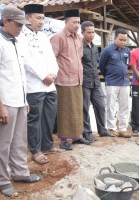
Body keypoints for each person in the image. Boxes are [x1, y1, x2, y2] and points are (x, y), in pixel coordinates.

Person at [0, 6, 42, 197]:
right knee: (4, 143)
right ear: (5, 21)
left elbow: (20, 75)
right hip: (6, 102)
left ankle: (20, 173)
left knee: (20, 140)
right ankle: (1, 180)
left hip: (19, 100)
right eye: (18, 24)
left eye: (22, 24)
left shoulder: (17, 41)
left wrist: (25, 99)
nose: (21, 28)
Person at [19, 4, 60, 165]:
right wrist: (43, 76)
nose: (41, 21)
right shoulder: (21, 36)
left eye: (43, 18)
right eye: (38, 18)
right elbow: (26, 60)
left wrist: (54, 73)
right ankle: (35, 150)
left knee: (49, 116)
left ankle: (47, 145)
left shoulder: (43, 36)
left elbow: (52, 57)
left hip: (50, 85)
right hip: (34, 85)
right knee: (34, 119)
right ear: (28, 18)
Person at [51, 9, 91, 150]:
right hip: (64, 80)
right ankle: (65, 139)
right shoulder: (58, 37)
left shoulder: (78, 37)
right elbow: (51, 59)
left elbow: (79, 57)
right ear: (66, 22)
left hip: (78, 79)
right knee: (65, 110)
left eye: (78, 22)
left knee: (77, 109)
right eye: (74, 22)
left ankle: (77, 136)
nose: (77, 25)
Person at [81, 21, 115, 140]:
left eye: (93, 32)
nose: (91, 34)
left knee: (101, 106)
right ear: (82, 32)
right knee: (84, 108)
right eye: (88, 32)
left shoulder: (95, 47)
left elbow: (97, 64)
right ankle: (87, 132)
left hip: (95, 82)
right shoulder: (79, 46)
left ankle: (102, 130)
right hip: (84, 82)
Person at [99, 28, 131, 138]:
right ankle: (111, 128)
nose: (123, 42)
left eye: (125, 40)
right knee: (111, 106)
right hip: (112, 82)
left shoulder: (127, 51)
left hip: (125, 82)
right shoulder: (107, 50)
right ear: (115, 38)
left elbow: (126, 65)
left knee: (125, 106)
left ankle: (123, 128)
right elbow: (102, 66)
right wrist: (108, 76)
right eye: (121, 39)